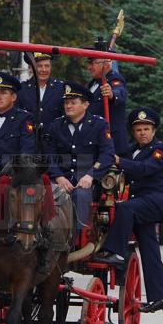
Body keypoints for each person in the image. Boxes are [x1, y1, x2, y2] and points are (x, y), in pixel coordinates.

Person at [98, 107, 163, 313]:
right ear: (133, 132)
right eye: (139, 129)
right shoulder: (131, 150)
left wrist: (119, 161)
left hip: (155, 200)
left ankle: (116, 253)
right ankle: (162, 298)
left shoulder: (160, 149)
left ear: (154, 130)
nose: (143, 133)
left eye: (147, 128)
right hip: (140, 202)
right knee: (150, 252)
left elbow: (144, 169)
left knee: (125, 209)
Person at [44, 82, 115, 229]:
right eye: (66, 102)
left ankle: (75, 244)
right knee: (40, 195)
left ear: (85, 104)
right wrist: (58, 177)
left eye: (73, 102)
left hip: (87, 181)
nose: (68, 106)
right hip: (60, 179)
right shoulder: (55, 126)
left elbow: (107, 155)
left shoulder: (99, 125)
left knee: (80, 196)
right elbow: (49, 155)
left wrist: (91, 175)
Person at [86, 38, 129, 156]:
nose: (89, 67)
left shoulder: (114, 79)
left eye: (92, 62)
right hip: (95, 143)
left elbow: (119, 93)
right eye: (88, 63)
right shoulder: (92, 84)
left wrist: (111, 94)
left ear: (104, 62)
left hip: (112, 144)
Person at [18, 52, 65, 130]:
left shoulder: (61, 88)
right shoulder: (21, 89)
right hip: (28, 139)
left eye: (47, 66)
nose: (44, 70)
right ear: (30, 67)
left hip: (53, 140)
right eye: (39, 66)